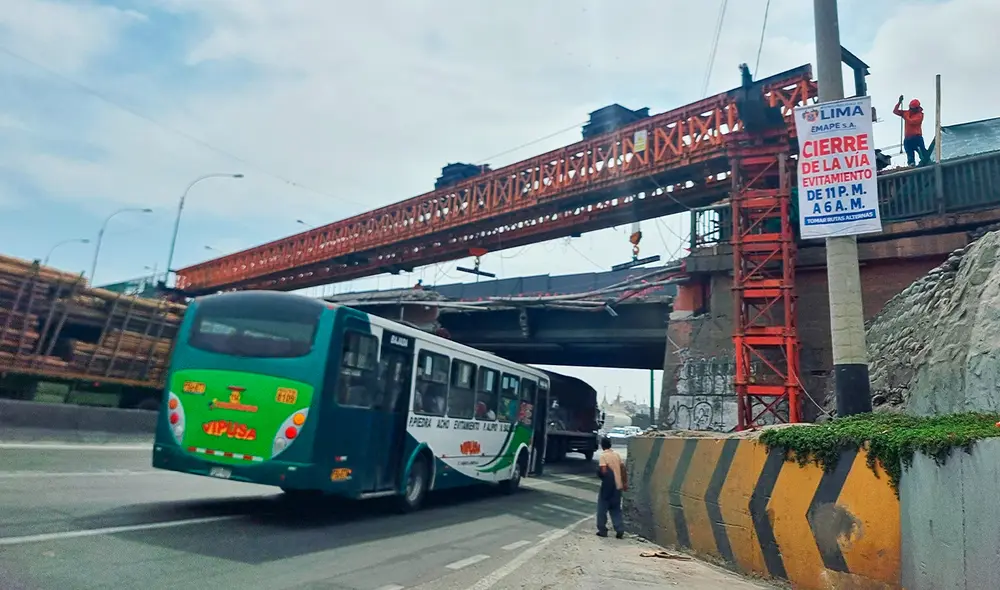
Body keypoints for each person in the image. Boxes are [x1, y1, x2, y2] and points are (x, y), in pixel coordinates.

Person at [595, 436, 627, 538]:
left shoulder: (603, 456)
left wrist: (599, 474)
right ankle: (619, 529)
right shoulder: (617, 455)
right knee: (616, 509)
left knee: (602, 508)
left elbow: (604, 471)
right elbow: (623, 469)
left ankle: (602, 530)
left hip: (607, 486)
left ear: (602, 445)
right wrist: (624, 483)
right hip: (618, 486)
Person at [894, 96, 926, 167]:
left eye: (912, 108)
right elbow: (895, 111)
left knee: (923, 153)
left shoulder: (920, 115)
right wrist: (899, 102)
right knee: (910, 154)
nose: (910, 110)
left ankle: (925, 161)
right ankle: (911, 164)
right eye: (910, 108)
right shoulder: (907, 113)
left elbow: (912, 122)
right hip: (908, 138)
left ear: (917, 108)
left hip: (917, 138)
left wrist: (906, 116)